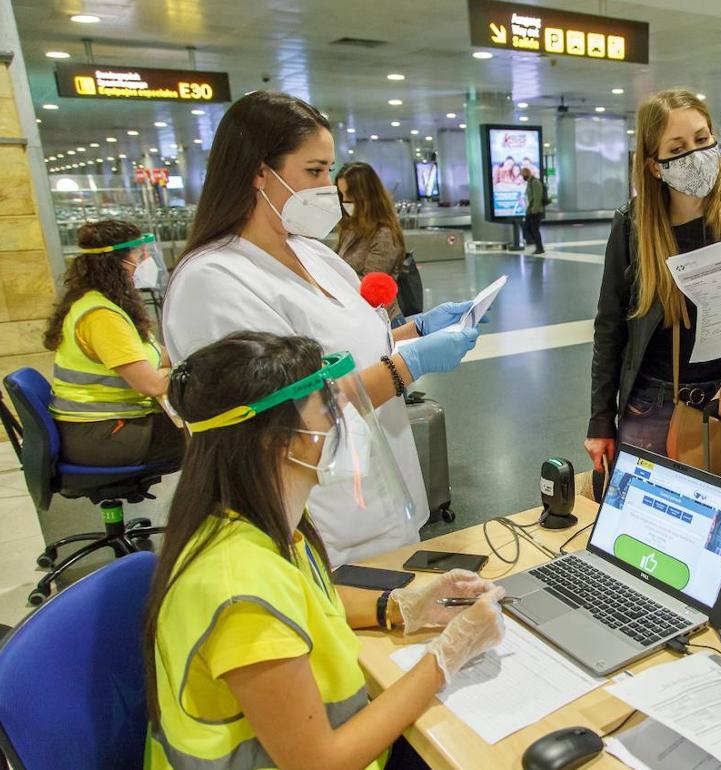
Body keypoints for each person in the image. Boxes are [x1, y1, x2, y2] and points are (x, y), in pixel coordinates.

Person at [144, 331, 505, 770]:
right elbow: (320, 762)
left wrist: (403, 606)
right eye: (328, 410)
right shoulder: (239, 589)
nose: (340, 424)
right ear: (278, 440)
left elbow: (310, 602)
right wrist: (448, 656)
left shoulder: (259, 521)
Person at [162, 91, 477, 566]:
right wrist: (406, 367)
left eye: (329, 169)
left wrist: (414, 332)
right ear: (257, 172)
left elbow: (349, 348)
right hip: (318, 521)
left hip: (385, 494)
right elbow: (285, 411)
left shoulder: (315, 253)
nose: (328, 187)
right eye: (314, 171)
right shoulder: (213, 281)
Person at [586, 88, 721, 473]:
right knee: (643, 529)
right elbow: (610, 328)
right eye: (677, 149)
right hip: (648, 405)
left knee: (719, 530)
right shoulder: (634, 226)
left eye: (702, 139)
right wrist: (600, 421)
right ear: (654, 165)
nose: (695, 155)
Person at [42, 220, 183, 468]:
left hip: (100, 427)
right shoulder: (101, 316)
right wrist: (194, 374)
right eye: (140, 255)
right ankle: (210, 507)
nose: (145, 262)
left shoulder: (106, 303)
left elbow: (156, 356)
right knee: (214, 438)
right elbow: (150, 384)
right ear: (118, 264)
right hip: (101, 434)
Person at [335, 162, 407, 278]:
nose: (345, 200)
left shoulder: (384, 234)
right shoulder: (351, 228)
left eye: (350, 194)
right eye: (341, 194)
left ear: (367, 195)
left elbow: (370, 283)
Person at [521, 166, 546, 255]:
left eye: (522, 175)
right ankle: (536, 245)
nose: (522, 177)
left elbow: (537, 197)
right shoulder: (529, 182)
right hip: (530, 210)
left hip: (535, 211)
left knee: (534, 229)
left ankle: (540, 248)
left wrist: (534, 209)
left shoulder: (535, 182)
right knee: (527, 228)